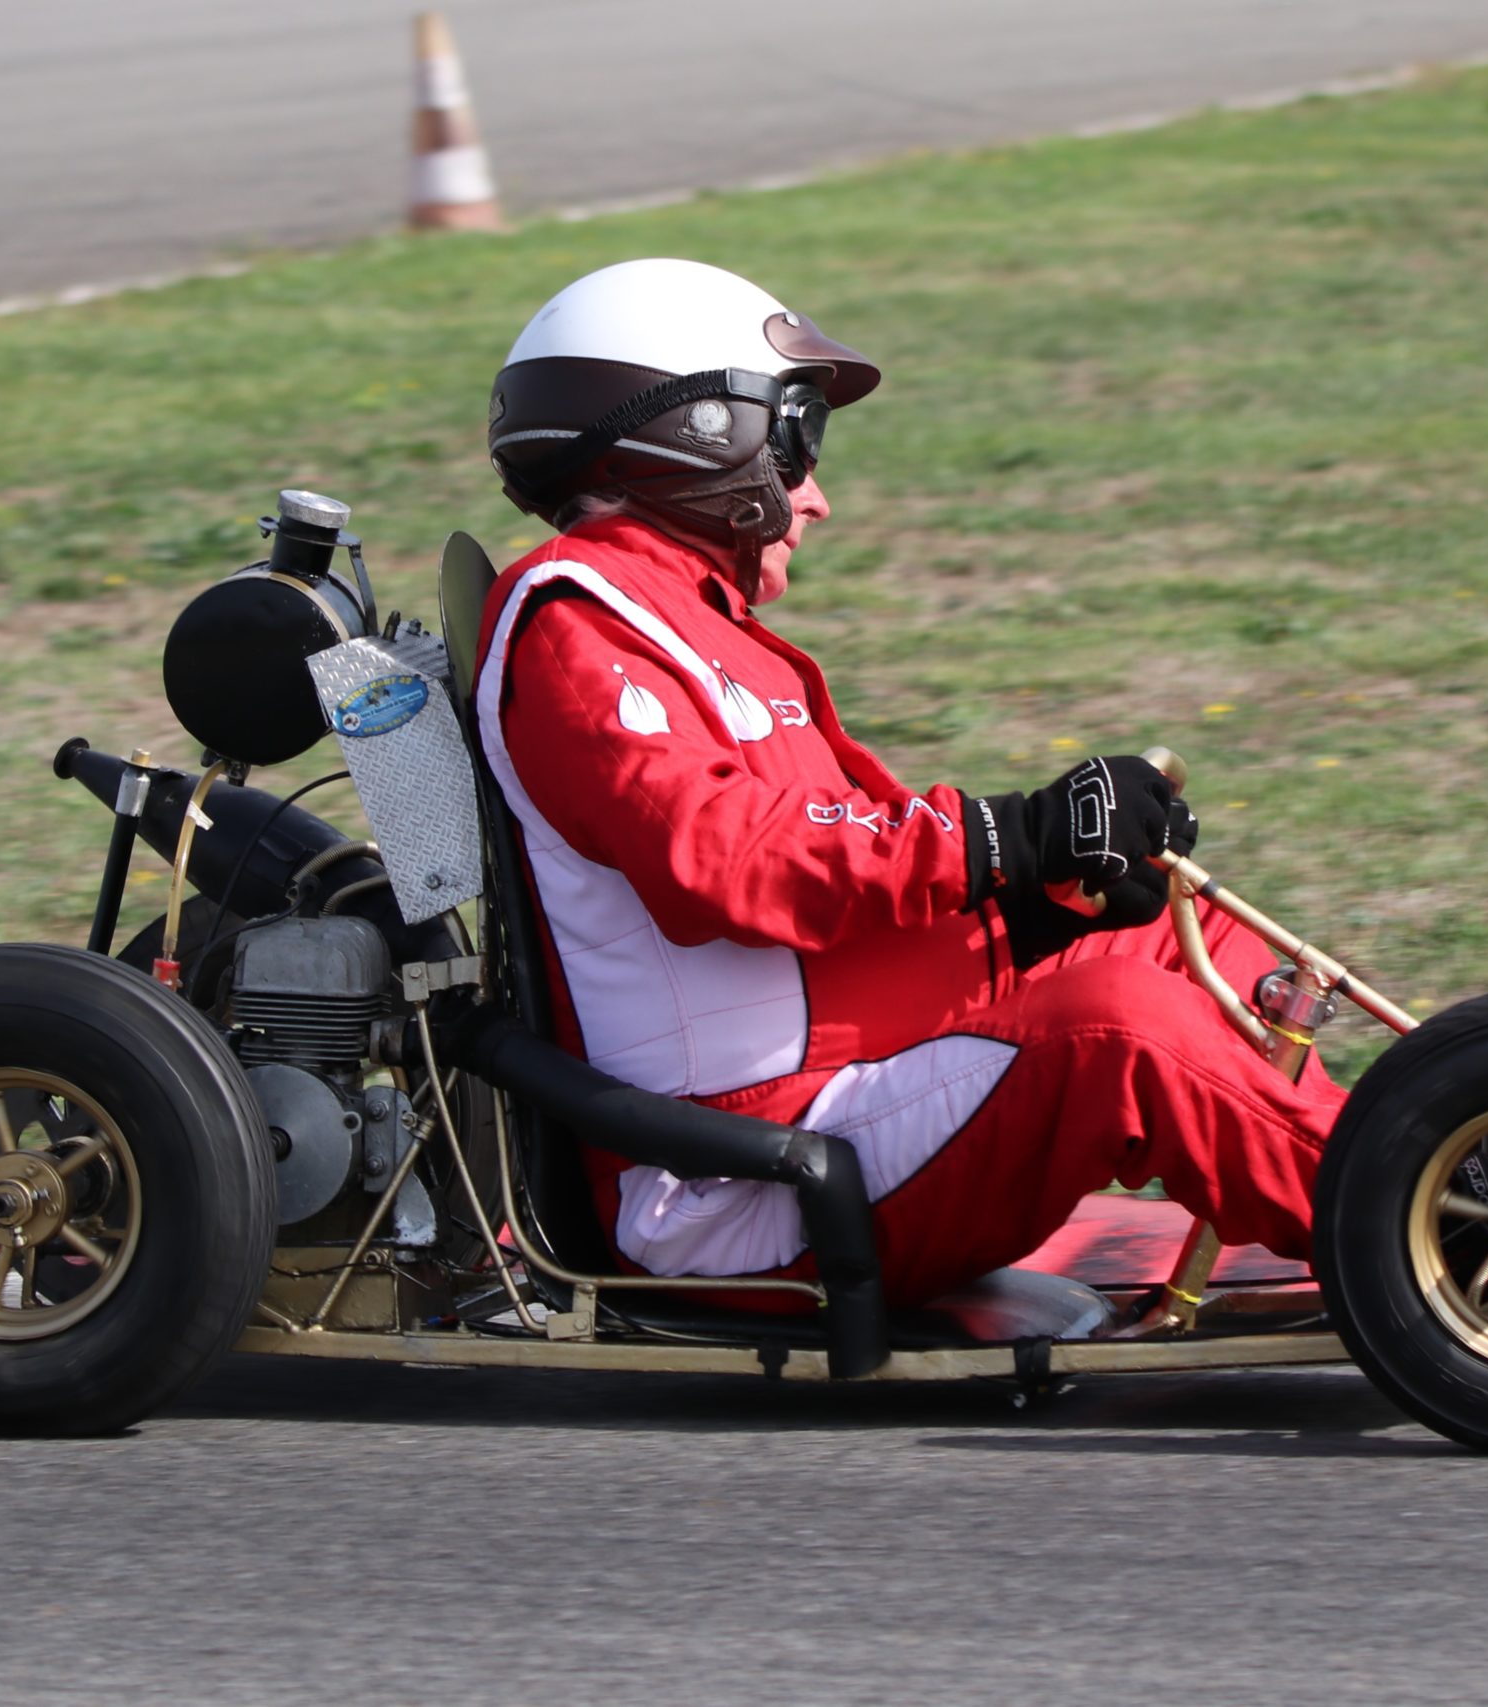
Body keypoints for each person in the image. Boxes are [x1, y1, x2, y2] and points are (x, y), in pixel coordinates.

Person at [476, 257, 1346, 1307]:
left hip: (822, 1101)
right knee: (1118, 1025)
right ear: (702, 433)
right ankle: (1417, 1225)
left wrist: (1033, 907)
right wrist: (1006, 838)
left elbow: (827, 901)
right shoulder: (575, 625)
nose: (816, 497)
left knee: (1168, 932)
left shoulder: (686, 621)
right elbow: (729, 862)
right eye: (797, 439)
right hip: (729, 1183)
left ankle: (1449, 1139)